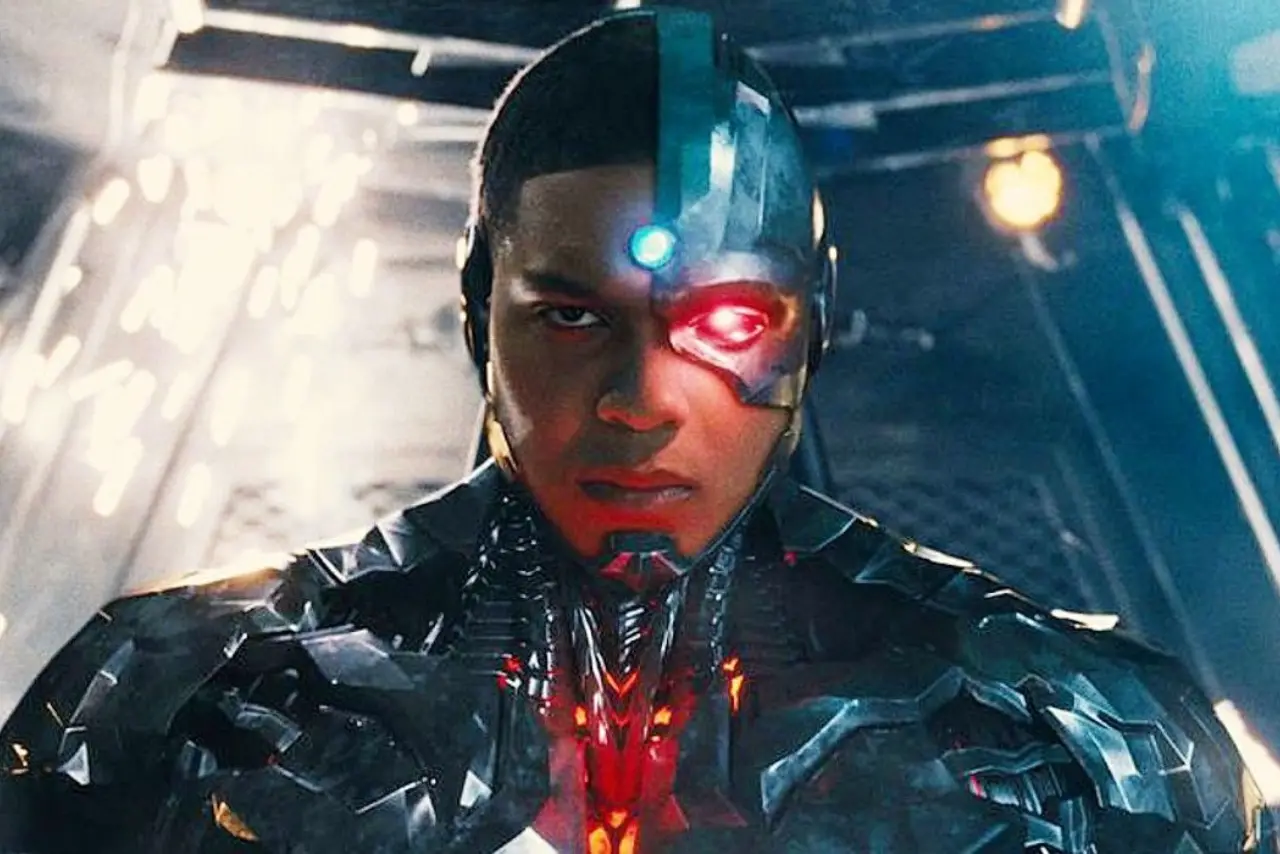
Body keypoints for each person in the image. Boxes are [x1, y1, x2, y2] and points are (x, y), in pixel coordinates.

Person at [0, 9, 1271, 854]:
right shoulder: (172, 707)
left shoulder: (1079, 742)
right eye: (571, 315)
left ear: (810, 328)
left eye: (724, 320)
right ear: (479, 315)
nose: (643, 396)